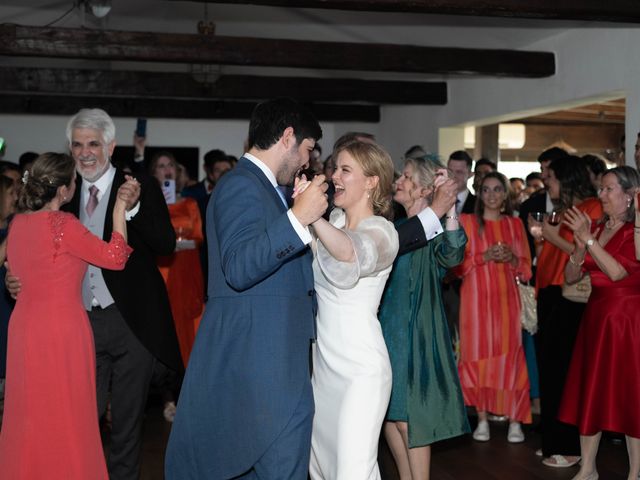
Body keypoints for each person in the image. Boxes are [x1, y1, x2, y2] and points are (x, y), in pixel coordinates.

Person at [7, 109, 182, 480]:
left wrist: (130, 208)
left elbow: (166, 244)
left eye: (93, 144)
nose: (85, 152)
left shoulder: (139, 185)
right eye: (77, 144)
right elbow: (34, 249)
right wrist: (15, 279)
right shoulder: (62, 190)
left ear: (111, 146)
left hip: (130, 320)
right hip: (76, 326)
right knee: (75, 419)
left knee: (126, 424)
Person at [165, 98, 327, 480]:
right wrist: (298, 217)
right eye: (307, 149)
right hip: (262, 367)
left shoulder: (265, 188)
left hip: (275, 361)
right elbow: (238, 267)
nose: (307, 161)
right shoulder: (240, 184)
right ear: (288, 137)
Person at [0, 152, 134, 479]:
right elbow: (115, 258)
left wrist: (10, 277)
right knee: (67, 413)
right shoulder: (63, 225)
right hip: (62, 330)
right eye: (74, 181)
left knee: (28, 413)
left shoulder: (17, 223)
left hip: (24, 329)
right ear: (63, 190)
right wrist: (120, 209)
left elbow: (13, 262)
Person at [308, 140, 398, 479]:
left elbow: (349, 254)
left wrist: (313, 217)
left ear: (372, 181)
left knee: (351, 470)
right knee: (322, 469)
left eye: (345, 170)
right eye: (334, 169)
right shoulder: (333, 221)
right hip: (324, 369)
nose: (335, 177)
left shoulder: (383, 232)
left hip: (361, 371)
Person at [379, 156, 469, 480]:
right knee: (388, 416)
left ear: (423, 188)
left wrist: (450, 209)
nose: (398, 182)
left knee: (408, 417)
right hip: (386, 330)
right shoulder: (394, 228)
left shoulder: (434, 234)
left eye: (405, 177)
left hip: (415, 332)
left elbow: (454, 253)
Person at [558, 166, 640, 480]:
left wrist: (589, 239)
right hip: (597, 317)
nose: (601, 195)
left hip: (628, 320)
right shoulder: (596, 226)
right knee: (591, 389)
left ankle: (635, 472)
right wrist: (580, 247)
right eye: (601, 189)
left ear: (630, 196)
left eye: (608, 189)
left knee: (631, 393)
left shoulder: (636, 231)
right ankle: (588, 467)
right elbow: (570, 277)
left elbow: (618, 273)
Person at [531, 156, 601, 468]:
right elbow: (550, 253)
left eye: (552, 177)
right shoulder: (564, 209)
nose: (547, 181)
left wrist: (551, 236)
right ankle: (553, 440)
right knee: (550, 370)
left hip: (569, 295)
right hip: (550, 290)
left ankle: (568, 447)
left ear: (568, 179)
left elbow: (584, 254)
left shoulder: (591, 208)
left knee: (563, 372)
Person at [455, 171, 532, 443]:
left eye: (497, 189)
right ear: (479, 193)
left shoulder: (515, 225)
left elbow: (526, 270)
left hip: (506, 300)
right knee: (476, 357)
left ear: (505, 195)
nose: (491, 194)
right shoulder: (465, 222)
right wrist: (483, 256)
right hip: (474, 303)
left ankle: (515, 420)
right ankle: (482, 418)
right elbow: (456, 267)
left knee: (511, 358)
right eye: (486, 189)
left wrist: (512, 258)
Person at [149, 151, 204, 366]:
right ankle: (163, 385)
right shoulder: (149, 203)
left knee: (188, 321)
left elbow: (199, 238)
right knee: (164, 321)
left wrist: (178, 242)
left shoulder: (190, 203)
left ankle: (185, 378)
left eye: (170, 164)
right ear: (154, 173)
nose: (167, 169)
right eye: (161, 165)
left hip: (187, 268)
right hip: (162, 269)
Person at [0, 175, 17, 399]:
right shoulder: (13, 231)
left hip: (13, 312)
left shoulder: (18, 227)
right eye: (11, 193)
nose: (17, 198)